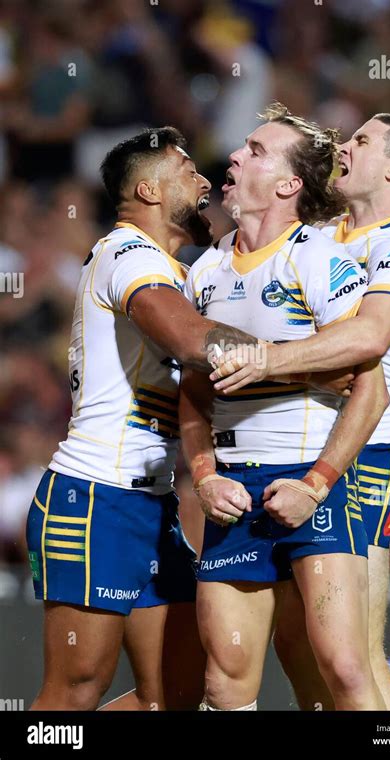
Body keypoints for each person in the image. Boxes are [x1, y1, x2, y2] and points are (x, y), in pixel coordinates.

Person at [26, 126, 258, 711]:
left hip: (150, 508)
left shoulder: (171, 272)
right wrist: (298, 354)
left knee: (177, 696)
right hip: (92, 498)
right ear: (151, 191)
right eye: (188, 171)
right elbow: (189, 340)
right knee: (75, 690)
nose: (205, 181)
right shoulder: (127, 252)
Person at [210, 113, 390, 710]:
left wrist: (265, 360)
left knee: (354, 653)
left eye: (361, 140)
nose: (343, 146)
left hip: (368, 448)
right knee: (298, 643)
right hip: (306, 443)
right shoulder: (331, 233)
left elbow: (370, 338)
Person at [180, 103, 389, 711]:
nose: (235, 155)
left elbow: (369, 388)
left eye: (255, 149)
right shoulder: (206, 272)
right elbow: (192, 394)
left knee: (345, 671)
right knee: (224, 682)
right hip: (235, 491)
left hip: (309, 480)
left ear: (288, 183)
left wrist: (317, 484)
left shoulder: (320, 260)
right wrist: (204, 476)